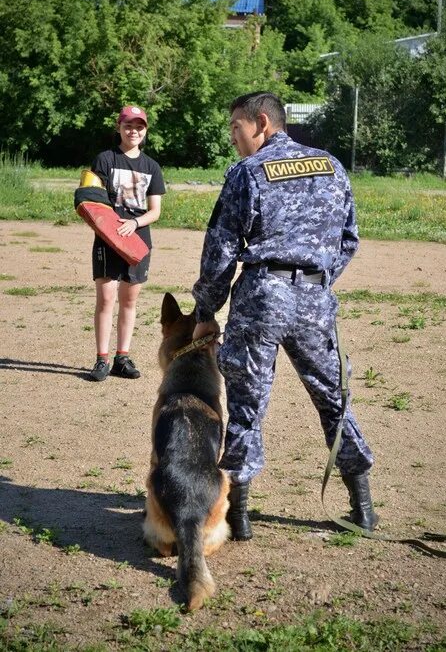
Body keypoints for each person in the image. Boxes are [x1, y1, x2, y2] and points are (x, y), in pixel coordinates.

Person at [192, 91, 378, 540]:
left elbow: (220, 250)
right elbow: (349, 239)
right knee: (335, 398)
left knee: (247, 403)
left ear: (261, 122)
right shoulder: (331, 166)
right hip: (315, 298)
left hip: (261, 297)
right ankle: (364, 508)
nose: (233, 138)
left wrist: (205, 311)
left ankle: (239, 518)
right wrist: (314, 279)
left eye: (236, 127)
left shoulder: (247, 173)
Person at [88, 105, 165, 382]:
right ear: (119, 128)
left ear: (145, 131)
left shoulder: (151, 167)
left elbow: (155, 211)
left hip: (138, 240)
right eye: (128, 126)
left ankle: (122, 357)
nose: (134, 131)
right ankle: (101, 360)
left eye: (139, 126)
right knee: (106, 299)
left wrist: (134, 223)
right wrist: (110, 225)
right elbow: (91, 200)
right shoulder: (105, 159)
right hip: (106, 238)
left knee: (129, 301)